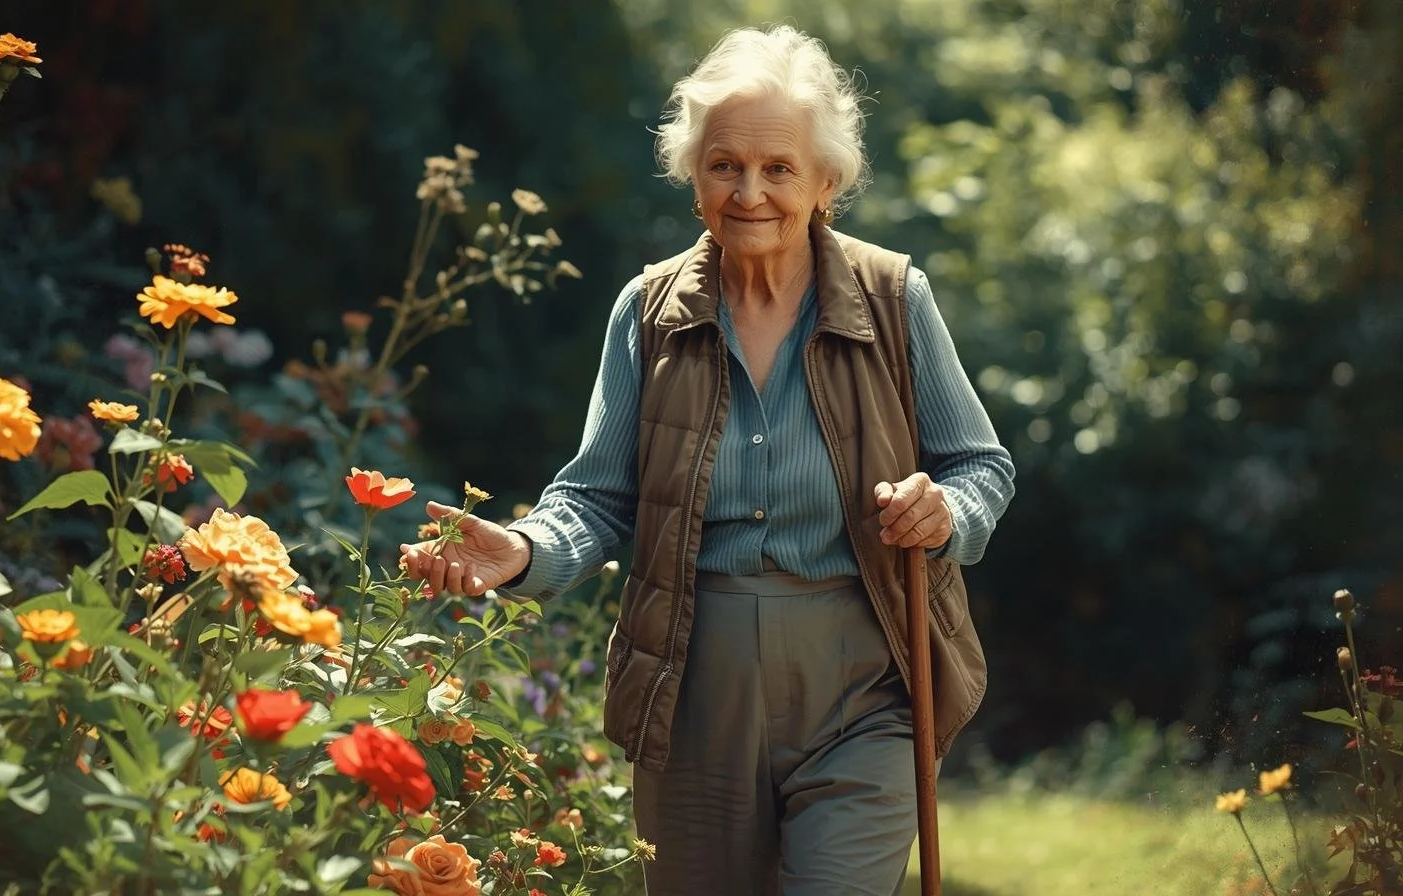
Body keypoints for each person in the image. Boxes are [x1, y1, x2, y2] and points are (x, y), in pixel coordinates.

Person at [399, 24, 1015, 896]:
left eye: (778, 168)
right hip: (693, 692)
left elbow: (981, 466)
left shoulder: (892, 297)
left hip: (866, 690)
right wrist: (526, 550)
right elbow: (597, 497)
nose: (749, 191)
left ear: (826, 181)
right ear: (694, 176)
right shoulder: (648, 313)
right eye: (724, 164)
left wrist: (947, 512)